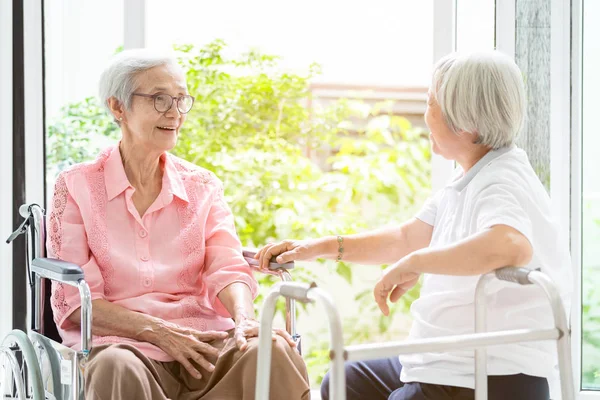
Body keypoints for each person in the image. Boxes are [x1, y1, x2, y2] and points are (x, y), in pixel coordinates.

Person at [256, 51, 573, 400]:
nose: (426, 116)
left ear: (466, 123)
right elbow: (407, 237)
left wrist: (416, 263)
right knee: (343, 381)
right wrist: (318, 247)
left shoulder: (503, 181)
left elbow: (509, 244)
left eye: (430, 103)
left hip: (490, 372)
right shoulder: (469, 177)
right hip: (447, 358)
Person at [47, 48, 309, 400]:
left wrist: (246, 319)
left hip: (204, 344)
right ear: (117, 107)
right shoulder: (77, 186)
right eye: (159, 99)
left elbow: (226, 265)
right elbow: (76, 302)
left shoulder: (202, 186)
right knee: (115, 367)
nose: (175, 113)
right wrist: (155, 330)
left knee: (271, 350)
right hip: (124, 348)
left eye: (181, 99)